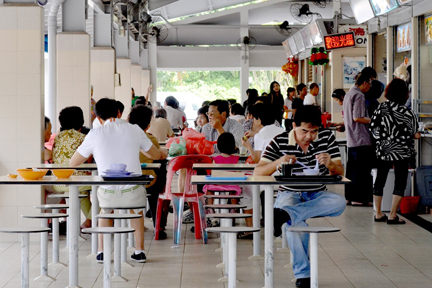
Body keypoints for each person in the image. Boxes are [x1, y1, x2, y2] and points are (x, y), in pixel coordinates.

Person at [254, 105, 345, 288]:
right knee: (296, 225)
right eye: (304, 131)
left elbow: (340, 171)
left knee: (339, 202)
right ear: (294, 125)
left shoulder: (326, 138)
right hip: (289, 192)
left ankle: (287, 214)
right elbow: (258, 171)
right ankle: (303, 275)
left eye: (314, 131)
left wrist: (331, 165)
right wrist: (279, 161)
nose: (309, 136)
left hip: (317, 194)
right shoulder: (280, 141)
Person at [70, 98, 166, 263]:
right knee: (136, 212)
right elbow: (155, 155)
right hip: (133, 191)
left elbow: (73, 162)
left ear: (98, 118)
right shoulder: (135, 130)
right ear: (119, 112)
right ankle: (139, 251)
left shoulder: (94, 134)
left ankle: (102, 252)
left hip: (108, 192)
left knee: (104, 212)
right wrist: (163, 152)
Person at [369, 79, 421, 224]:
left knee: (379, 181)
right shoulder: (408, 112)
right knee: (400, 182)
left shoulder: (381, 108)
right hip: (402, 151)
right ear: (405, 94)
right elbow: (416, 134)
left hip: (384, 150)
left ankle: (378, 213)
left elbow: (372, 128)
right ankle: (392, 215)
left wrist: (384, 139)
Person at [128, 104, 169, 238]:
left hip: (125, 180)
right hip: (147, 181)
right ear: (147, 124)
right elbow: (158, 156)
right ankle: (159, 225)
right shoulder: (150, 139)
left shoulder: (123, 138)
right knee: (161, 170)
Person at [52, 106, 92, 229]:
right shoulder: (82, 138)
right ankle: (92, 220)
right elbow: (88, 160)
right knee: (104, 187)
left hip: (58, 183)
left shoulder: (57, 138)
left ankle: (90, 222)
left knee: (83, 195)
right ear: (81, 121)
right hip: (77, 181)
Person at [343, 72, 375, 206]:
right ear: (365, 83)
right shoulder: (359, 95)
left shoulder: (348, 94)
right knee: (361, 170)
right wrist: (375, 120)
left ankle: (350, 197)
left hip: (351, 139)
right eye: (370, 83)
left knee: (351, 169)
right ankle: (360, 198)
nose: (370, 87)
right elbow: (358, 117)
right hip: (361, 138)